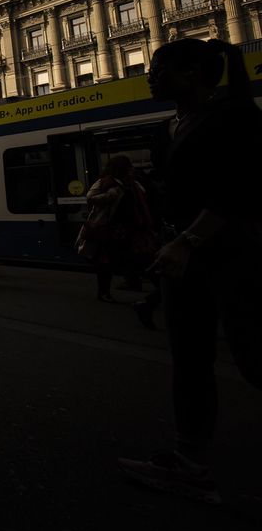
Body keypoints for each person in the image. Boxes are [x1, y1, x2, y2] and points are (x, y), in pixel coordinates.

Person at [118, 39, 262, 505]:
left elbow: (241, 190)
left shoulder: (231, 117)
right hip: (184, 255)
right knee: (191, 360)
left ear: (193, 73)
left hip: (230, 253)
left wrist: (189, 239)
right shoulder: (171, 126)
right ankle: (189, 461)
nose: (149, 76)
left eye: (158, 69)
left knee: (253, 353)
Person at [74, 156, 155, 303]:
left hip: (129, 227)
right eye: (129, 167)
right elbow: (90, 197)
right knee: (107, 260)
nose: (132, 169)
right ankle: (105, 291)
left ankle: (133, 281)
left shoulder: (133, 183)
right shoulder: (106, 182)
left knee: (136, 256)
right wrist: (110, 195)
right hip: (109, 228)